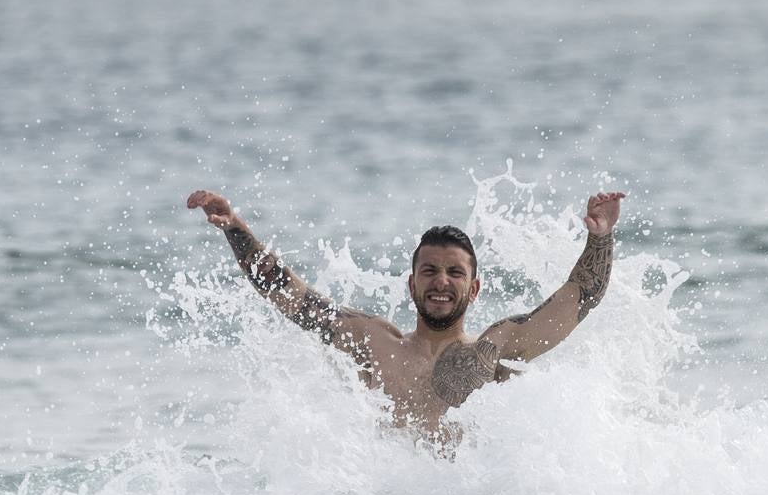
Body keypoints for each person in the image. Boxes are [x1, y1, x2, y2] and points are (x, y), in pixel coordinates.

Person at [185, 188, 625, 442]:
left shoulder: (496, 351)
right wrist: (239, 230)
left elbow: (579, 299)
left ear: (473, 289)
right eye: (429, 271)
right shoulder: (372, 341)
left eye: (455, 273)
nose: (441, 281)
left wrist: (600, 239)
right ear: (411, 284)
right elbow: (290, 297)